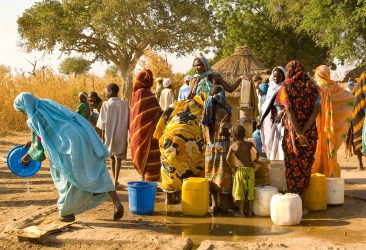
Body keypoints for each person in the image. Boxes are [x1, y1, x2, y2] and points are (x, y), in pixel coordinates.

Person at [15, 92, 123, 222]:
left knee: (69, 176)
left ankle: (66, 212)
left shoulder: (34, 118)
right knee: (97, 168)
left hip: (67, 145)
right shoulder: (48, 103)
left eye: (22, 110)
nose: (24, 113)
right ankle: (116, 202)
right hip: (83, 134)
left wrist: (26, 157)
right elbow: (69, 116)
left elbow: (38, 144)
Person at [276, 60, 320, 214]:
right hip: (310, 134)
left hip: (292, 134)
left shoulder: (286, 86)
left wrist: (298, 133)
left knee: (293, 165)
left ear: (290, 71)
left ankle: (293, 206)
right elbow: (316, 111)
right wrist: (305, 132)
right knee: (305, 167)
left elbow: (288, 111)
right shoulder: (313, 86)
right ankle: (302, 203)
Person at [153, 92, 206, 204]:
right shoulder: (202, 110)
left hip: (168, 139)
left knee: (169, 169)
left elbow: (161, 123)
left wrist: (160, 138)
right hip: (188, 144)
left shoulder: (177, 105)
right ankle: (190, 198)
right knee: (195, 165)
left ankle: (169, 197)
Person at [312, 65, 355, 177]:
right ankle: (328, 172)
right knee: (328, 144)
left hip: (316, 120)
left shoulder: (316, 87)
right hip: (329, 124)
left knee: (317, 144)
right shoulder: (334, 86)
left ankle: (316, 173)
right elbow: (349, 98)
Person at [202, 85, 232, 213]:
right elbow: (223, 131)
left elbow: (203, 130)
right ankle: (223, 206)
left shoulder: (206, 110)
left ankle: (214, 204)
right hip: (222, 147)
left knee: (211, 176)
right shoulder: (224, 111)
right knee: (222, 176)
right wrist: (231, 135)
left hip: (209, 148)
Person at [130, 69, 163, 181]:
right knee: (150, 158)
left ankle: (146, 181)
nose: (153, 81)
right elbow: (156, 113)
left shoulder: (135, 94)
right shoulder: (146, 94)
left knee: (144, 155)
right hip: (149, 134)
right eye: (151, 79)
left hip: (139, 133)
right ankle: (149, 183)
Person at [97, 83, 129, 188]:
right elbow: (129, 121)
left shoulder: (105, 105)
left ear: (110, 92)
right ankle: (116, 181)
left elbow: (102, 123)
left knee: (111, 157)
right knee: (118, 157)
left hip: (109, 134)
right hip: (121, 133)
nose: (105, 94)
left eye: (105, 91)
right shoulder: (125, 104)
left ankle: (114, 182)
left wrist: (102, 138)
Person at [227, 125, 258, 217]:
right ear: (244, 133)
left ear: (233, 135)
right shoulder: (249, 144)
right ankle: (249, 211)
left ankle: (241, 213)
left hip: (240, 170)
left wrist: (233, 167)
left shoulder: (233, 146)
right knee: (250, 191)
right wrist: (254, 162)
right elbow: (256, 152)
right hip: (250, 170)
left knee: (240, 191)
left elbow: (227, 158)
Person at [258, 67, 287, 160]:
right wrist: (261, 120)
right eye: (274, 77)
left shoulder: (285, 88)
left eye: (279, 77)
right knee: (275, 138)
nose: (276, 79)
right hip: (274, 118)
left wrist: (282, 112)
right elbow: (269, 105)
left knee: (281, 139)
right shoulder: (271, 87)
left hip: (284, 116)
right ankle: (275, 159)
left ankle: (282, 160)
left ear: (283, 77)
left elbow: (288, 104)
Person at [346, 73, 366, 171]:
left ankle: (360, 165)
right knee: (358, 138)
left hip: (356, 116)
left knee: (357, 138)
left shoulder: (357, 89)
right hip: (359, 115)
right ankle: (360, 164)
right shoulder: (361, 88)